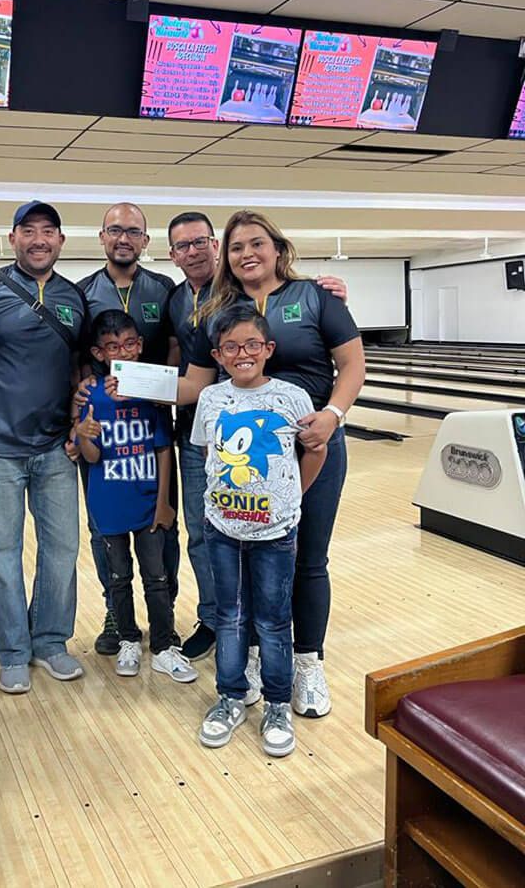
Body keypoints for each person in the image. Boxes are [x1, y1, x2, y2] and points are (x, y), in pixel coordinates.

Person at [180, 209, 365, 718]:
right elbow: (195, 385)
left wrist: (331, 415)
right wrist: (126, 383)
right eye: (237, 246)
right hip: (248, 460)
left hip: (315, 445)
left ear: (277, 248)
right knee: (249, 560)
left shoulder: (316, 297)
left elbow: (353, 364)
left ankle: (308, 663)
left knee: (308, 558)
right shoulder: (216, 311)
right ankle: (261, 657)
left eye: (257, 243)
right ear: (226, 256)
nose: (248, 254)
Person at [192, 305, 325, 755]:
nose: (242, 353)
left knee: (272, 621)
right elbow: (209, 455)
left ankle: (277, 704)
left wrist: (291, 497)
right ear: (218, 355)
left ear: (268, 349)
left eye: (251, 344)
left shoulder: (292, 397)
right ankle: (230, 698)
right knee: (229, 617)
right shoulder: (211, 398)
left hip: (275, 533)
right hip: (222, 528)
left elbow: (316, 451)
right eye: (230, 347)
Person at [0, 201, 87, 695]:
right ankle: (13, 651)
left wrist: (80, 420)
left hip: (56, 447)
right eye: (29, 230)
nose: (39, 239)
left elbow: (81, 366)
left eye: (48, 231)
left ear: (60, 240)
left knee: (62, 549)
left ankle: (51, 641)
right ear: (13, 238)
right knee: (0, 553)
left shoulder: (73, 297)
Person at [78, 203, 179, 655]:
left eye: (133, 231)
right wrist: (80, 408)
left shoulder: (164, 288)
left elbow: (176, 346)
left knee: (162, 526)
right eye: (115, 230)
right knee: (106, 531)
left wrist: (165, 390)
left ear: (145, 240)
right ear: (102, 236)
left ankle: (164, 613)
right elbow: (77, 357)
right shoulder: (83, 292)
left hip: (150, 420)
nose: (124, 238)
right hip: (103, 421)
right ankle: (115, 612)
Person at [76, 310, 198, 682]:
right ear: (99, 353)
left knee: (156, 578)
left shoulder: (150, 393)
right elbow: (91, 457)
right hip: (109, 505)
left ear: (140, 345)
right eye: (113, 347)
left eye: (130, 344)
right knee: (118, 578)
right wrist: (83, 435)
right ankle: (129, 639)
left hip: (148, 505)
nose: (124, 352)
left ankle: (163, 645)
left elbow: (163, 449)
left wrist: (164, 503)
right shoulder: (91, 394)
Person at [166, 212, 219, 661]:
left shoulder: (240, 287)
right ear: (172, 255)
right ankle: (213, 618)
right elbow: (176, 361)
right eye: (183, 245)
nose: (193, 251)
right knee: (200, 531)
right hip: (192, 433)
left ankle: (253, 621)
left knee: (247, 532)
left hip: (244, 434)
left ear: (215, 244)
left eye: (200, 241)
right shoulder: (177, 298)